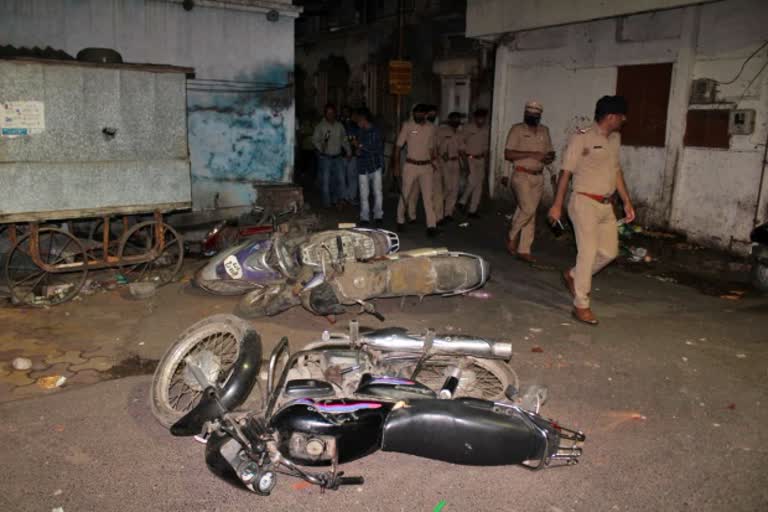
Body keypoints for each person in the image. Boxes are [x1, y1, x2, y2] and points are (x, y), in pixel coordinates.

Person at [548, 95, 636, 326]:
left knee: (608, 253)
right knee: (587, 253)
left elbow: (616, 171)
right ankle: (581, 304)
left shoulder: (615, 138)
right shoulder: (582, 137)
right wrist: (557, 204)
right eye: (621, 116)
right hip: (583, 202)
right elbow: (565, 172)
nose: (624, 120)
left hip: (606, 205)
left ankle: (574, 275)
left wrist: (626, 200)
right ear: (611, 116)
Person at [503, 100, 555, 263]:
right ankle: (511, 236)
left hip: (538, 176)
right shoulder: (517, 129)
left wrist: (551, 163)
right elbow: (508, 154)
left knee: (530, 213)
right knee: (528, 209)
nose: (531, 116)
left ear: (539, 116)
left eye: (535, 114)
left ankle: (524, 250)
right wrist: (532, 154)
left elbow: (549, 152)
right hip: (521, 175)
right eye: (529, 114)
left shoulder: (544, 131)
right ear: (525, 113)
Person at [394, 103, 438, 237]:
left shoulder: (431, 128)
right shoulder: (407, 125)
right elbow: (398, 147)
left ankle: (431, 225)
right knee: (405, 194)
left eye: (420, 113)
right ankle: (400, 220)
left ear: (426, 115)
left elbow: (431, 148)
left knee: (428, 197)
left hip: (426, 166)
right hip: (411, 165)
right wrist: (395, 166)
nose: (417, 116)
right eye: (415, 113)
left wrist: (434, 163)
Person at [312, 103, 351, 209]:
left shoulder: (339, 126)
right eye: (328, 113)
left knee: (341, 179)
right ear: (325, 114)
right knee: (326, 181)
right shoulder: (320, 126)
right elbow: (315, 140)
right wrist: (321, 147)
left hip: (337, 157)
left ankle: (340, 200)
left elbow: (344, 139)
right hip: (326, 158)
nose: (330, 115)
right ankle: (327, 204)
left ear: (335, 113)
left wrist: (348, 151)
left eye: (332, 113)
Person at [407, 104, 441, 223]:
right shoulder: (412, 125)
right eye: (429, 113)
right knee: (414, 192)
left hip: (430, 162)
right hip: (416, 162)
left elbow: (435, 146)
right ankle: (412, 216)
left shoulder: (434, 127)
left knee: (434, 192)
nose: (431, 116)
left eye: (433, 113)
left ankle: (436, 218)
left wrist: (435, 162)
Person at [355, 108, 384, 226]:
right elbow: (361, 148)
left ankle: (378, 216)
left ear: (363, 119)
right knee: (363, 194)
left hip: (374, 166)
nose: (357, 122)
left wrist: (360, 146)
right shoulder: (360, 131)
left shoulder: (375, 131)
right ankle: (364, 218)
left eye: (358, 119)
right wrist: (358, 150)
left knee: (377, 192)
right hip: (362, 166)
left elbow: (376, 149)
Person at [459, 108, 490, 218]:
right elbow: (461, 144)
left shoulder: (487, 129)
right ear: (475, 118)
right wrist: (464, 161)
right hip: (469, 158)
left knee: (479, 185)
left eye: (483, 118)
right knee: (472, 181)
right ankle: (462, 202)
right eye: (479, 118)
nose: (481, 120)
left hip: (481, 159)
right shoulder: (468, 128)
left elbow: (486, 146)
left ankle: (473, 210)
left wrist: (486, 161)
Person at [437, 112, 464, 223]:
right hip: (445, 162)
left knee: (454, 189)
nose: (456, 121)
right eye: (454, 119)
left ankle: (448, 213)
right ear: (449, 120)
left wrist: (465, 164)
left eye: (458, 119)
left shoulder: (459, 133)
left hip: (456, 161)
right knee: (447, 187)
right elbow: (437, 145)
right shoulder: (442, 131)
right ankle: (437, 209)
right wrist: (442, 154)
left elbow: (462, 149)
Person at [343, 107, 360, 205]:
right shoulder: (341, 124)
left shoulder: (353, 125)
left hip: (350, 155)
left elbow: (354, 140)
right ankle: (348, 197)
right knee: (347, 177)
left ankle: (349, 197)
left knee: (350, 177)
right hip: (345, 155)